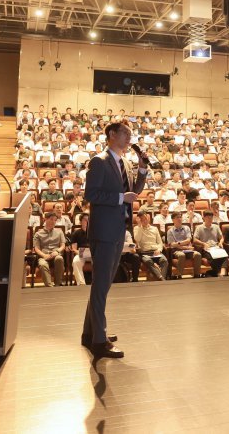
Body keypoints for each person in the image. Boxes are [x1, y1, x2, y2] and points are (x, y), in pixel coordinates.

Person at [81, 122, 147, 359]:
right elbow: (91, 194)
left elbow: (134, 193)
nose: (130, 138)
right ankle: (99, 340)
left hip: (119, 229)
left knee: (104, 284)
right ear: (112, 134)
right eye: (126, 133)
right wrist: (120, 197)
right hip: (104, 231)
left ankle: (89, 333)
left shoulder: (126, 162)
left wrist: (141, 169)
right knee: (101, 285)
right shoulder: (99, 161)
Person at [32, 212, 67, 286]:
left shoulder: (59, 232)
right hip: (43, 256)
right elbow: (36, 248)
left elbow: (63, 245)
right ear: (45, 219)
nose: (53, 222)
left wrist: (57, 251)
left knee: (59, 259)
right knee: (42, 264)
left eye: (55, 220)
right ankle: (49, 287)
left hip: (56, 254)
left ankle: (58, 284)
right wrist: (44, 255)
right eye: (51, 219)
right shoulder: (38, 234)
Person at [133, 211, 168, 281]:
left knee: (164, 260)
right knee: (148, 261)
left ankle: (161, 278)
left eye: (146, 218)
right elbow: (137, 239)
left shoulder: (154, 228)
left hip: (156, 251)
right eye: (142, 219)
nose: (145, 220)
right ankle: (162, 279)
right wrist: (140, 226)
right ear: (139, 220)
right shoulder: (137, 228)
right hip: (145, 253)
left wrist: (159, 250)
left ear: (148, 218)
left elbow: (160, 243)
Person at [166, 211, 201, 278]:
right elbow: (172, 244)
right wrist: (185, 247)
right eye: (177, 217)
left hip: (188, 250)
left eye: (180, 217)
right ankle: (179, 275)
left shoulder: (186, 228)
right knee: (181, 255)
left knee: (197, 254)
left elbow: (188, 240)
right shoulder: (170, 231)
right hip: (177, 251)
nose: (179, 219)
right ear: (173, 220)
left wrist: (178, 243)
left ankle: (197, 275)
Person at [193, 211, 228, 277]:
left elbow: (221, 238)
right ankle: (218, 273)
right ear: (204, 218)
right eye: (208, 218)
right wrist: (203, 244)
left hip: (216, 247)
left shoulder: (216, 226)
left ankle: (222, 272)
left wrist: (220, 242)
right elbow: (194, 240)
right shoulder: (199, 227)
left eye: (211, 218)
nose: (210, 219)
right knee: (212, 257)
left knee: (224, 256)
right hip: (206, 249)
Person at [69, 212, 92, 286]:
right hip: (81, 254)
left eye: (88, 220)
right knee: (76, 261)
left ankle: (97, 282)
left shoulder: (94, 233)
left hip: (92, 253)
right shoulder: (76, 233)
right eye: (85, 220)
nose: (87, 221)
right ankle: (81, 284)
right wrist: (79, 253)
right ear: (80, 221)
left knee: (100, 261)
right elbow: (74, 248)